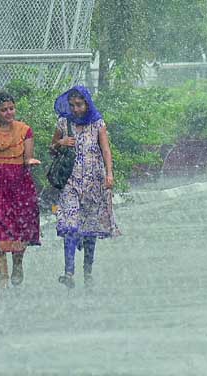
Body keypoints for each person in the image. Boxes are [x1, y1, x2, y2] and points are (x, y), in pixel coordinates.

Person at [51, 86, 119, 288]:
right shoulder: (63, 122)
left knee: (90, 227)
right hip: (70, 181)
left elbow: (106, 150)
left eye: (79, 105)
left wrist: (109, 174)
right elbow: (52, 148)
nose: (75, 109)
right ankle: (68, 272)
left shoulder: (98, 123)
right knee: (69, 224)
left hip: (93, 181)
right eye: (72, 105)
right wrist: (60, 142)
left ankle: (87, 271)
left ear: (87, 103)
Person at [0, 92, 41, 288]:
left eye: (11, 108)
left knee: (19, 229)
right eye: (4, 110)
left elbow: (27, 158)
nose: (8, 112)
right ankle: (2, 278)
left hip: (19, 187)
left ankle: (17, 264)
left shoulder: (25, 130)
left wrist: (30, 161)